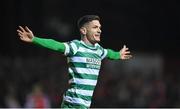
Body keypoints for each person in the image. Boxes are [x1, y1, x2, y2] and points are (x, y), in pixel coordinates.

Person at [17, 15, 132, 108]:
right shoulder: (76, 46)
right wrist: (34, 39)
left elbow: (109, 53)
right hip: (73, 104)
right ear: (83, 30)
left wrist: (118, 54)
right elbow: (56, 45)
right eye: (95, 27)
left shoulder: (98, 50)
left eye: (100, 27)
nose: (99, 30)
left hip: (84, 105)